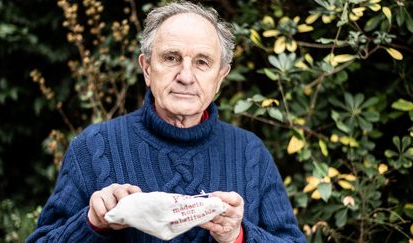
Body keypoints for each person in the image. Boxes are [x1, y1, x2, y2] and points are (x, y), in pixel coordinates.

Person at [26, 1, 306, 242]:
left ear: (220, 77)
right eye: (171, 58)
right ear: (147, 68)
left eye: (202, 62)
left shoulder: (249, 153)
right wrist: (92, 222)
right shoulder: (94, 146)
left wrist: (238, 236)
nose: (185, 76)